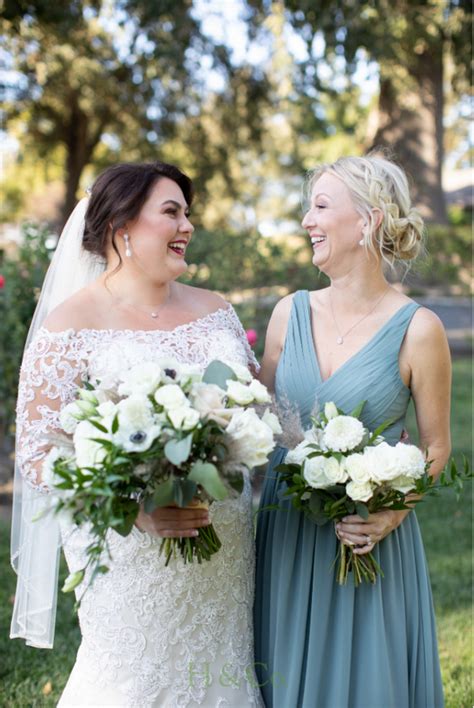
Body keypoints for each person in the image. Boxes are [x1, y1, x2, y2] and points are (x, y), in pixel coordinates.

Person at [10, 161, 264, 707]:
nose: (187, 226)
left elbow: (252, 413)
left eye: (188, 213)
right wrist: (137, 510)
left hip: (225, 547)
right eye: (170, 212)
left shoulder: (217, 313)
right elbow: (37, 453)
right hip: (132, 557)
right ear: (120, 227)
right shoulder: (68, 326)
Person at [254, 154, 450, 707]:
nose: (306, 222)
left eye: (320, 206)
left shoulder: (419, 329)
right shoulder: (286, 314)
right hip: (287, 536)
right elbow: (257, 424)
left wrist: (391, 514)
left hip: (366, 542)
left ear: (367, 222)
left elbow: (437, 447)